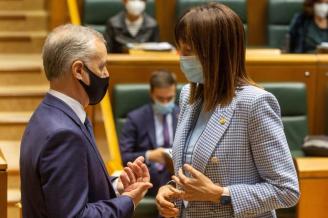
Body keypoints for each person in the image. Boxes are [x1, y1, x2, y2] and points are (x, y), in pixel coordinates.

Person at [156, 3, 300, 218]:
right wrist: (171, 189)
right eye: (180, 49)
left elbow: (286, 191)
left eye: (189, 51)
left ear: (216, 53)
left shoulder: (255, 104)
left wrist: (221, 194)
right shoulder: (189, 95)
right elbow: (191, 164)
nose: (182, 58)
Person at [20, 24, 152, 218]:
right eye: (101, 66)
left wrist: (116, 186)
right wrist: (129, 200)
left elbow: (71, 189)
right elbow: (75, 215)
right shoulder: (64, 134)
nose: (106, 73)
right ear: (79, 70)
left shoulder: (50, 113)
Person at [120, 70, 179, 196]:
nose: (165, 103)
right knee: (168, 181)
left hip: (179, 171)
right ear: (151, 94)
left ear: (175, 93)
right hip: (151, 173)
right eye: (160, 99)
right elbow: (124, 157)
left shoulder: (184, 116)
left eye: (169, 98)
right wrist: (149, 155)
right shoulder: (135, 118)